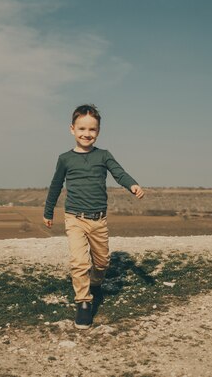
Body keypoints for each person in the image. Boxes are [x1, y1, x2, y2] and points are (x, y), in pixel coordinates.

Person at [43, 104, 144, 329]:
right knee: (79, 262)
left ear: (98, 132)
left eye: (92, 130)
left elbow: (119, 173)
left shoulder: (103, 156)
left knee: (102, 262)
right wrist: (48, 211)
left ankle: (95, 283)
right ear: (72, 129)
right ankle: (84, 303)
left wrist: (132, 185)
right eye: (82, 129)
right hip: (74, 218)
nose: (86, 134)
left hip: (99, 220)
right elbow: (55, 186)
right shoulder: (65, 159)